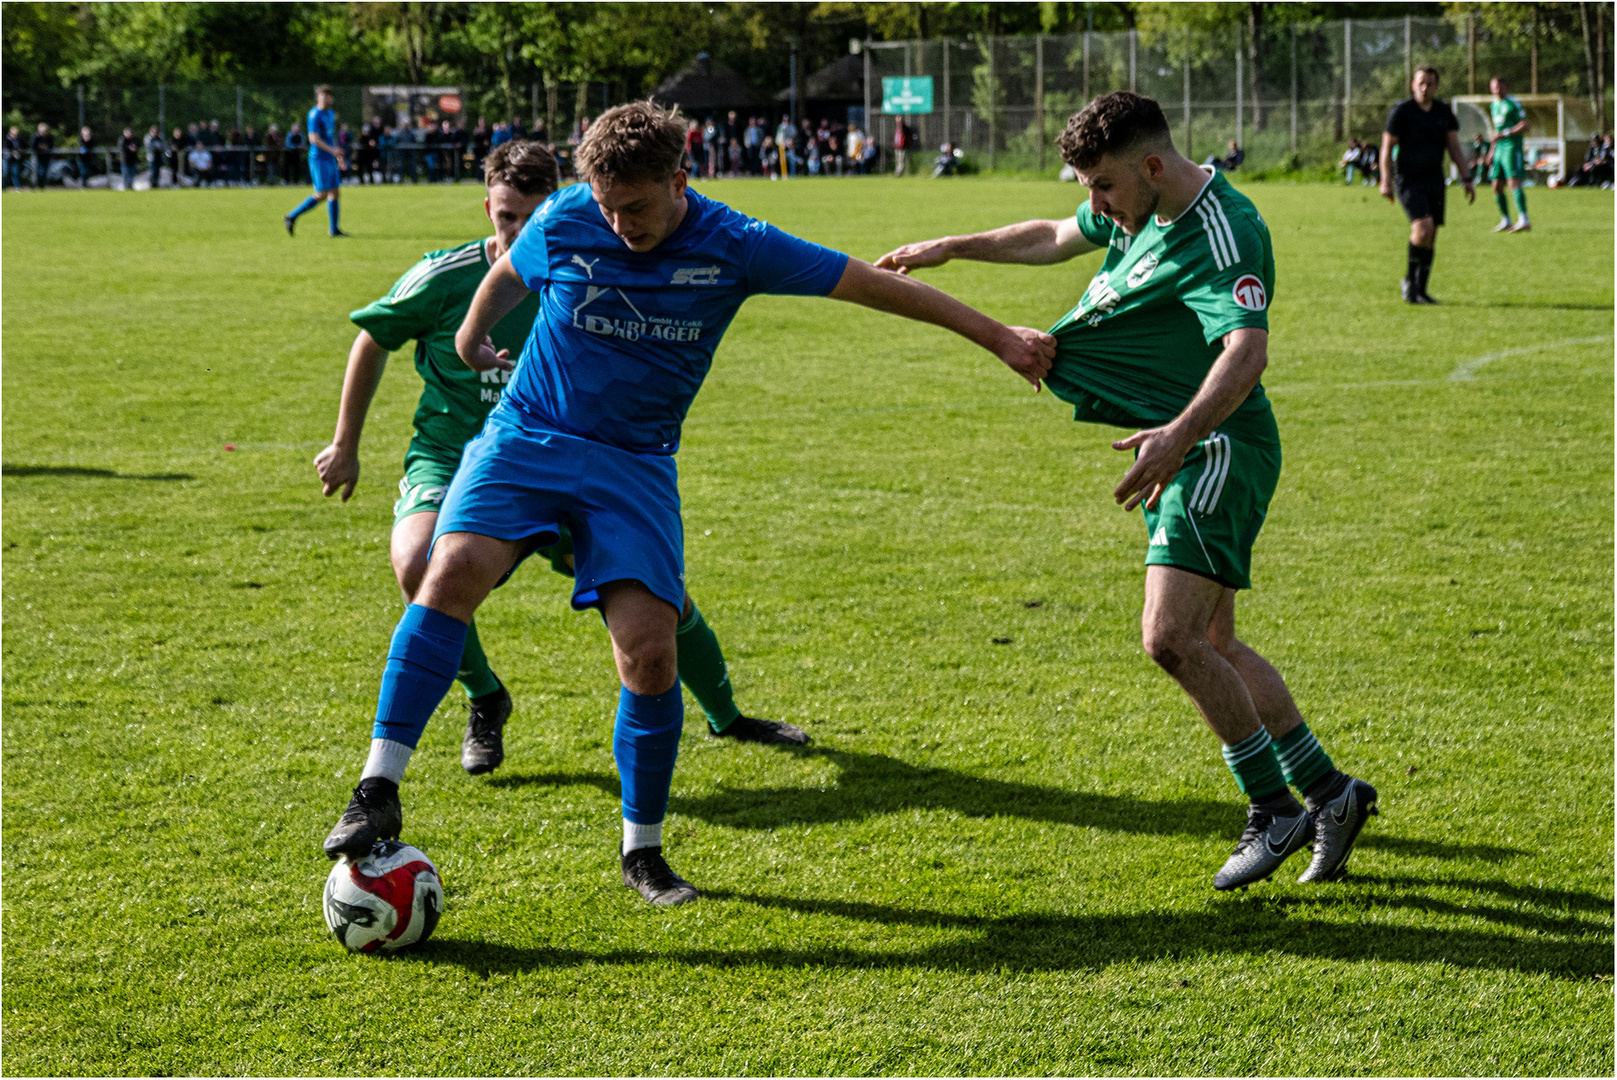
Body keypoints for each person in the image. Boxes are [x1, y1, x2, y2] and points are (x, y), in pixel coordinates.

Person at [318, 99, 1055, 906]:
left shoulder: (738, 244)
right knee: (446, 569)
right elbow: (510, 269)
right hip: (528, 435)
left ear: (679, 180)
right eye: (605, 205)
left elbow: (871, 287)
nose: (617, 222)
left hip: (632, 466)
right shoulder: (570, 213)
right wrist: (468, 334)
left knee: (648, 650)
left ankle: (643, 851)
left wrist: (997, 337)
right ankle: (376, 786)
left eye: (634, 207)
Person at [876, 91, 1379, 892]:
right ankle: (1328, 792)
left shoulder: (1224, 229)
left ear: (1149, 165)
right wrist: (951, 245)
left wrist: (1176, 436)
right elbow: (1049, 236)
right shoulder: (1134, 205)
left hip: (1215, 448)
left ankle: (1272, 810)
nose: (1092, 204)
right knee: (1215, 647)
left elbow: (1247, 353)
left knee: (1167, 639)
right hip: (1182, 445)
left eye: (1101, 185)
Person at [315, 135, 807, 785]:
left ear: (562, 207)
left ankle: (726, 714)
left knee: (657, 601)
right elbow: (372, 337)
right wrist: (346, 445)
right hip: (453, 455)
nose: (519, 231)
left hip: (563, 460)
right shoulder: (447, 277)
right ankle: (484, 697)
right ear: (485, 207)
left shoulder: (581, 266)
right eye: (504, 217)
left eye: (530, 216)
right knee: (417, 562)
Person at [1381, 66, 1474, 304]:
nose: (1425, 88)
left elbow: (1454, 147)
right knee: (1422, 229)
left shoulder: (1443, 112)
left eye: (1430, 83)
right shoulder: (1402, 111)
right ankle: (1410, 283)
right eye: (1421, 82)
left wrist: (1466, 178)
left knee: (1431, 235)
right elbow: (1387, 147)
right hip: (1409, 179)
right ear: (1413, 84)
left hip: (1435, 179)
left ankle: (1421, 290)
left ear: (1436, 86)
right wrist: (1385, 179)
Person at [284, 85, 347, 237]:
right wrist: (332, 151)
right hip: (319, 159)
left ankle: (334, 230)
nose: (326, 98)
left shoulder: (331, 114)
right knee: (322, 194)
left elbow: (329, 137)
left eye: (328, 96)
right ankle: (291, 216)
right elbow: (314, 139)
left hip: (329, 158)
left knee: (335, 192)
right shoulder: (314, 115)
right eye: (323, 96)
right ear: (318, 98)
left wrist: (337, 156)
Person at [1487, 76, 1531, 232]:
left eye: (1499, 87)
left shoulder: (1513, 103)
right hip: (1499, 148)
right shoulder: (1494, 105)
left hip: (1512, 146)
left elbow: (1525, 125)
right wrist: (1491, 151)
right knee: (1496, 185)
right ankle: (1506, 220)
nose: (1496, 90)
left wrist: (1506, 133)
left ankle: (1524, 219)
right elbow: (1496, 131)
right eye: (1493, 87)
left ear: (1506, 87)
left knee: (1514, 182)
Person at [31, 122, 52, 189]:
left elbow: (51, 146)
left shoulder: (49, 137)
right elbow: (33, 146)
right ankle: (35, 185)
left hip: (46, 157)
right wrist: (40, 147)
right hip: (37, 157)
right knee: (38, 172)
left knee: (44, 172)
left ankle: (42, 186)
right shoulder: (35, 137)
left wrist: (46, 148)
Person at [6, 126, 25, 190]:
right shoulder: (7, 139)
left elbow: (25, 146)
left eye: (17, 133)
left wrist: (21, 150)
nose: (16, 135)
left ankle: (17, 187)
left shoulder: (20, 139)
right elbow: (7, 148)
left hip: (16, 159)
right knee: (5, 173)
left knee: (15, 173)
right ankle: (3, 186)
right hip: (7, 159)